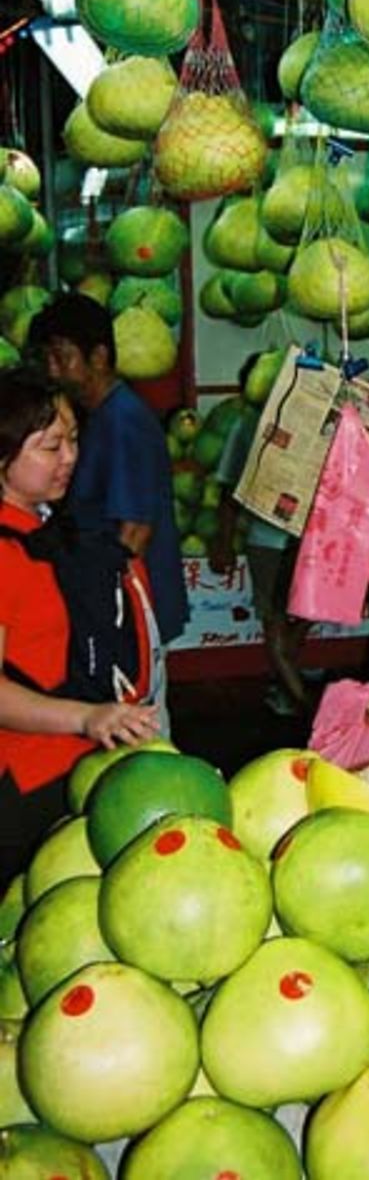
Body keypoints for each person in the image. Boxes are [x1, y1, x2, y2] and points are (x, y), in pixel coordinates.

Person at [0, 368, 162, 885]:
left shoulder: (46, 531)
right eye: (50, 446)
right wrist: (86, 717)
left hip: (80, 768)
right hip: (23, 784)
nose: (69, 457)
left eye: (73, 440)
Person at [29, 293, 188, 647]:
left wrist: (105, 614)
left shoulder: (124, 423)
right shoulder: (98, 417)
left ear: (98, 357)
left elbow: (134, 533)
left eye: (63, 357)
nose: (53, 370)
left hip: (126, 611)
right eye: (48, 358)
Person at [207, 354, 310, 717]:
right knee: (278, 620)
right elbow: (229, 491)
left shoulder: (307, 423)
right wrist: (223, 540)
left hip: (305, 542)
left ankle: (289, 686)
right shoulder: (249, 425)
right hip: (272, 542)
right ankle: (301, 703)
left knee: (293, 617)